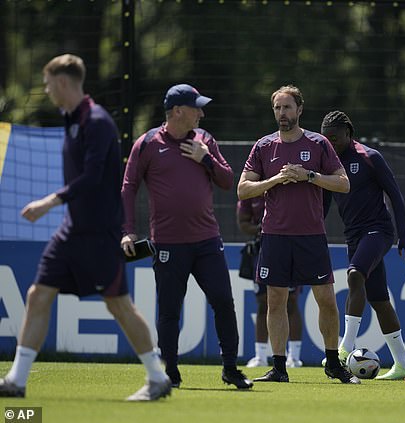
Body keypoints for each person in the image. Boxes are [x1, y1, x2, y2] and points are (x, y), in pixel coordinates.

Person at [0, 54, 171, 401]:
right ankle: (16, 381)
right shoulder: (71, 119)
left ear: (63, 83)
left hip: (98, 235)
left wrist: (49, 201)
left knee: (118, 305)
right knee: (38, 295)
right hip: (70, 232)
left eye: (48, 84)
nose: (47, 90)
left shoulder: (97, 121)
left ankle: (157, 378)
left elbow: (92, 178)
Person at [120, 83, 252, 390]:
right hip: (167, 244)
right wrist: (128, 232)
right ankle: (171, 372)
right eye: (197, 108)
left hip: (207, 241)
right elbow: (128, 187)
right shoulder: (148, 142)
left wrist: (205, 158)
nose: (202, 114)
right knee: (169, 310)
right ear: (178, 111)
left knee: (223, 302)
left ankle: (231, 369)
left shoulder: (205, 140)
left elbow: (227, 181)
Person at [237, 85, 359, 384]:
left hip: (310, 235)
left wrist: (309, 176)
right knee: (275, 301)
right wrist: (276, 179)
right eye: (278, 108)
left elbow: (343, 184)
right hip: (275, 236)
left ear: (299, 110)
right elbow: (242, 189)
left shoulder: (318, 144)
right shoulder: (264, 146)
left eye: (287, 107)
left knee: (327, 300)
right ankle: (279, 368)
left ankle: (332, 362)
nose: (282, 113)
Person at [320, 110, 405, 380]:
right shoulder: (329, 164)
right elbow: (325, 203)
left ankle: (344, 347)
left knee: (355, 274)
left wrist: (404, 235)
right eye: (327, 139)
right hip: (353, 236)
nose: (331, 143)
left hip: (379, 230)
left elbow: (395, 195)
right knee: (379, 300)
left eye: (336, 138)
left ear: (349, 134)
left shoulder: (369, 157)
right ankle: (403, 364)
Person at [236, 196, 304, 368]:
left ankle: (294, 356)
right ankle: (260, 356)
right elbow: (243, 222)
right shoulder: (251, 188)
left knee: (291, 301)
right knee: (263, 302)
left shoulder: (287, 183)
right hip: (261, 249)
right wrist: (260, 228)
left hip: (289, 246)